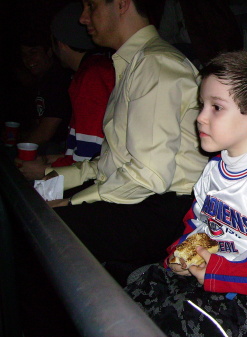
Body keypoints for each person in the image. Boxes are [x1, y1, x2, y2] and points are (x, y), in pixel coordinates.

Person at [125, 50, 247, 337]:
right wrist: (184, 255)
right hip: (219, 268)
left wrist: (221, 272)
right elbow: (200, 225)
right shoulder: (215, 168)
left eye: (216, 107)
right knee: (140, 292)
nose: (201, 118)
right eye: (201, 105)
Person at [43, 0, 208, 283]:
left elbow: (149, 175)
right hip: (144, 198)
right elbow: (112, 163)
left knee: (41, 235)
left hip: (167, 211)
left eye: (91, 6)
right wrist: (52, 177)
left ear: (121, 5)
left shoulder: (155, 64)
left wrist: (73, 202)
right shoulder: (135, 63)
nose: (83, 18)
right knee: (36, 211)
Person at [17, 2, 115, 181]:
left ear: (59, 44)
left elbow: (90, 155)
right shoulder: (92, 69)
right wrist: (53, 160)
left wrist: (46, 171)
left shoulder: (92, 75)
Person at [19, 28, 72, 155]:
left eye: (33, 52)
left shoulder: (58, 80)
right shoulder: (40, 83)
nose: (28, 59)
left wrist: (19, 151)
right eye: (24, 55)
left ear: (48, 52)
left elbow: (45, 132)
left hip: (61, 150)